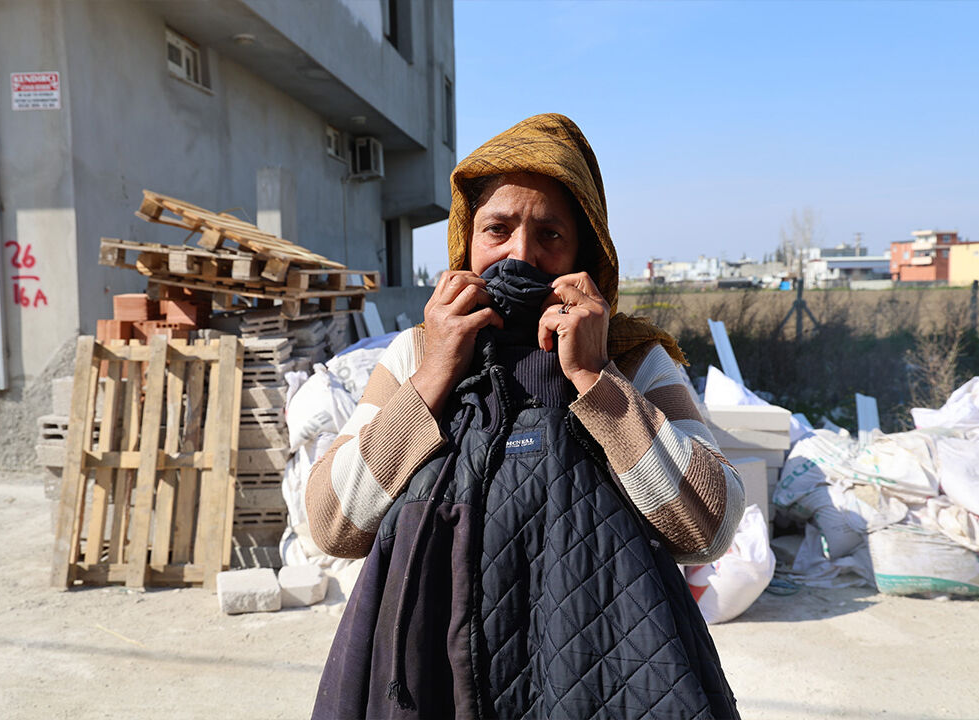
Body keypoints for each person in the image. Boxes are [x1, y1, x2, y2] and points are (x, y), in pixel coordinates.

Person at [307, 114, 744, 719]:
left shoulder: (633, 358)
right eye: (498, 229)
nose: (521, 254)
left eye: (550, 235)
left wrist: (595, 378)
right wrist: (435, 374)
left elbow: (710, 529)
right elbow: (333, 526)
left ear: (585, 251)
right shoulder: (415, 354)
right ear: (465, 242)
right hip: (437, 677)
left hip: (595, 680)